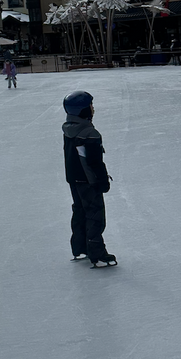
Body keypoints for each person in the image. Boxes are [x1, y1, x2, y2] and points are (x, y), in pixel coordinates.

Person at [62, 91, 117, 267]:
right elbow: (94, 161)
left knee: (80, 212)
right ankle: (96, 251)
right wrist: (102, 181)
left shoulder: (69, 129)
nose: (94, 108)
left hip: (73, 179)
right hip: (88, 181)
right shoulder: (89, 133)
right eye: (91, 105)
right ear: (83, 110)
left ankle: (79, 246)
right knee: (95, 216)